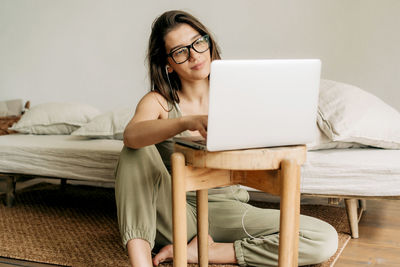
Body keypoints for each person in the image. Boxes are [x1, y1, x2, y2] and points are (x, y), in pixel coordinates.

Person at [115, 10, 338, 267]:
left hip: (230, 209)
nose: (194, 55)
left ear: (208, 42)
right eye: (180, 51)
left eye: (198, 42)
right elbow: (131, 136)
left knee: (323, 238)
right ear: (168, 63)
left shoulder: (237, 95)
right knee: (135, 150)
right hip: (177, 211)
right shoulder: (158, 102)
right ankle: (140, 263)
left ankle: (205, 252)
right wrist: (187, 122)